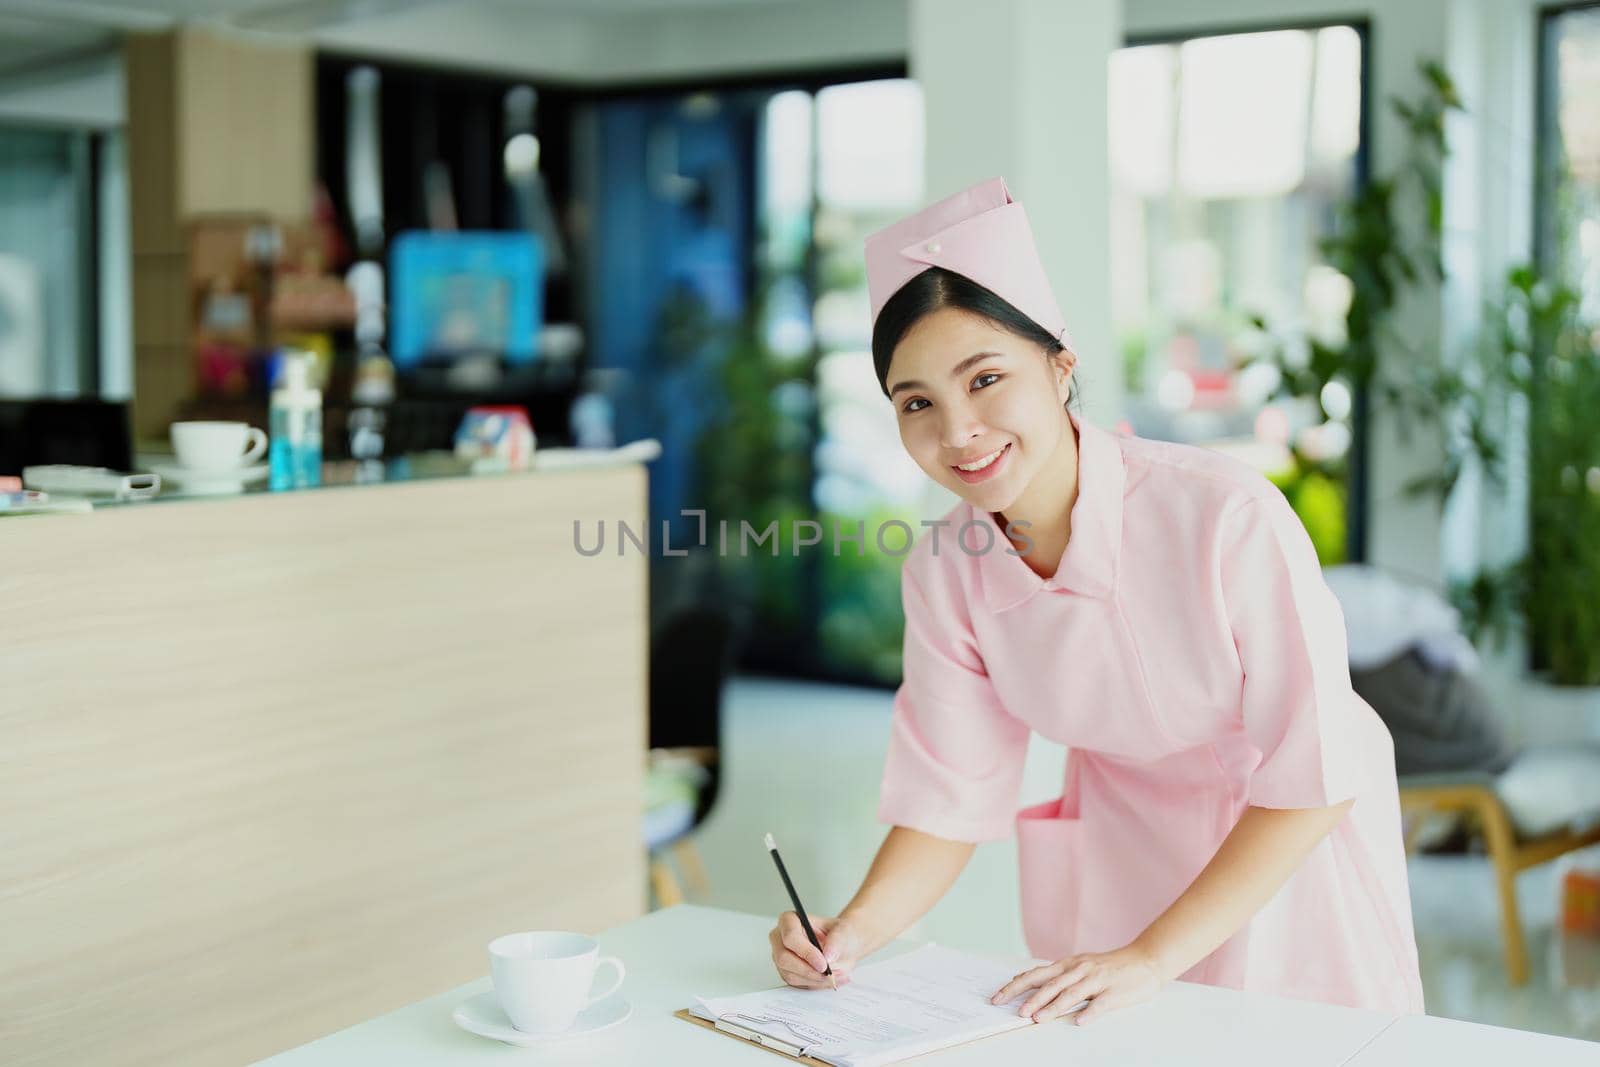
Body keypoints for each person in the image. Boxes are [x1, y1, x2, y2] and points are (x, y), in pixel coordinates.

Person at [767, 177, 1423, 1025]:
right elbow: (949, 795)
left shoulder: (1224, 514)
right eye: (917, 402)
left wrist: (1154, 956)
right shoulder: (947, 567)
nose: (957, 429)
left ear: (1060, 365)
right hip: (1122, 853)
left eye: (986, 377)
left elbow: (1315, 768)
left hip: (1283, 852)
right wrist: (850, 933)